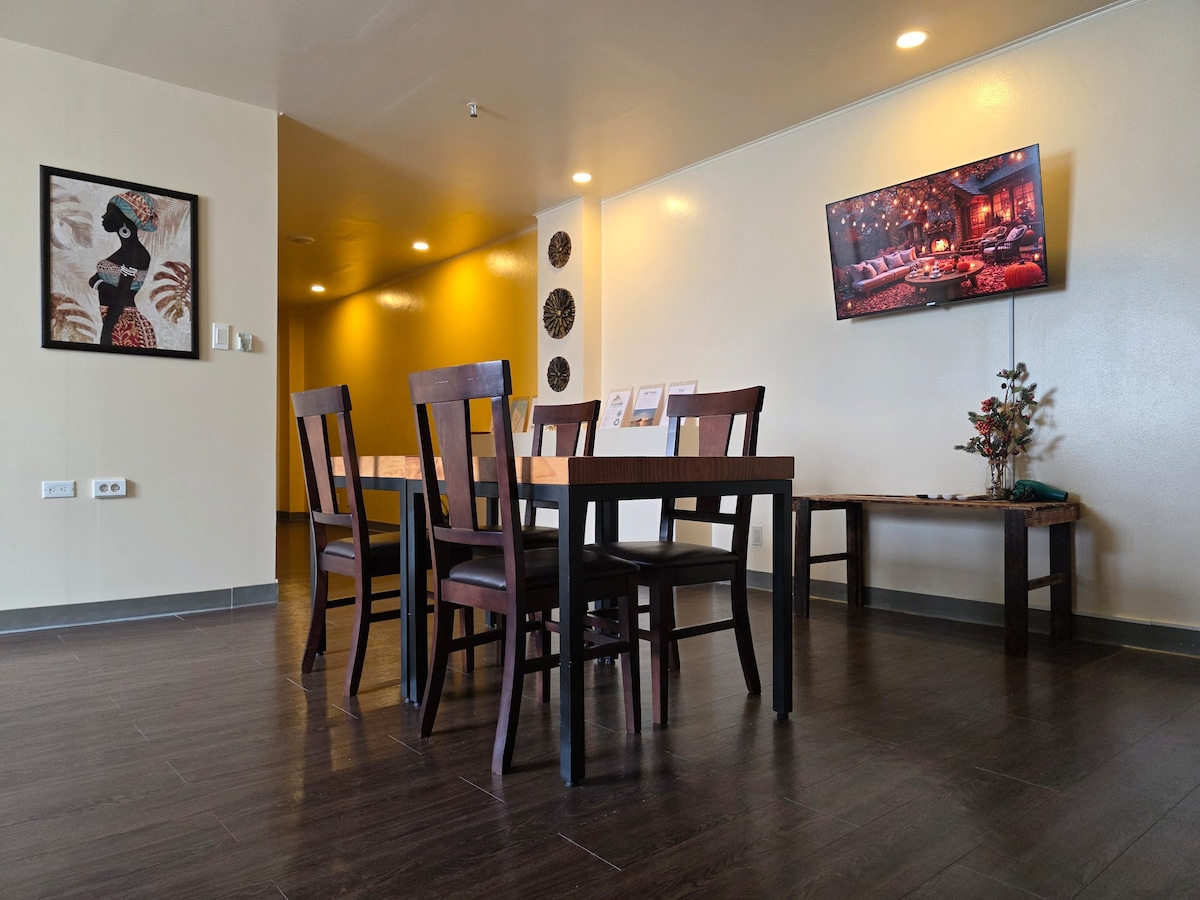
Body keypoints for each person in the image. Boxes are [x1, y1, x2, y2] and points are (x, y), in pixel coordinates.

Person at [89, 190, 158, 346]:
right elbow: (93, 280)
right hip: (115, 320)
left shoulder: (136, 253)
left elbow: (119, 297)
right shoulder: (126, 251)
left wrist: (106, 334)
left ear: (124, 220)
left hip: (124, 325)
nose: (103, 216)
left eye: (108, 212)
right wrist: (108, 287)